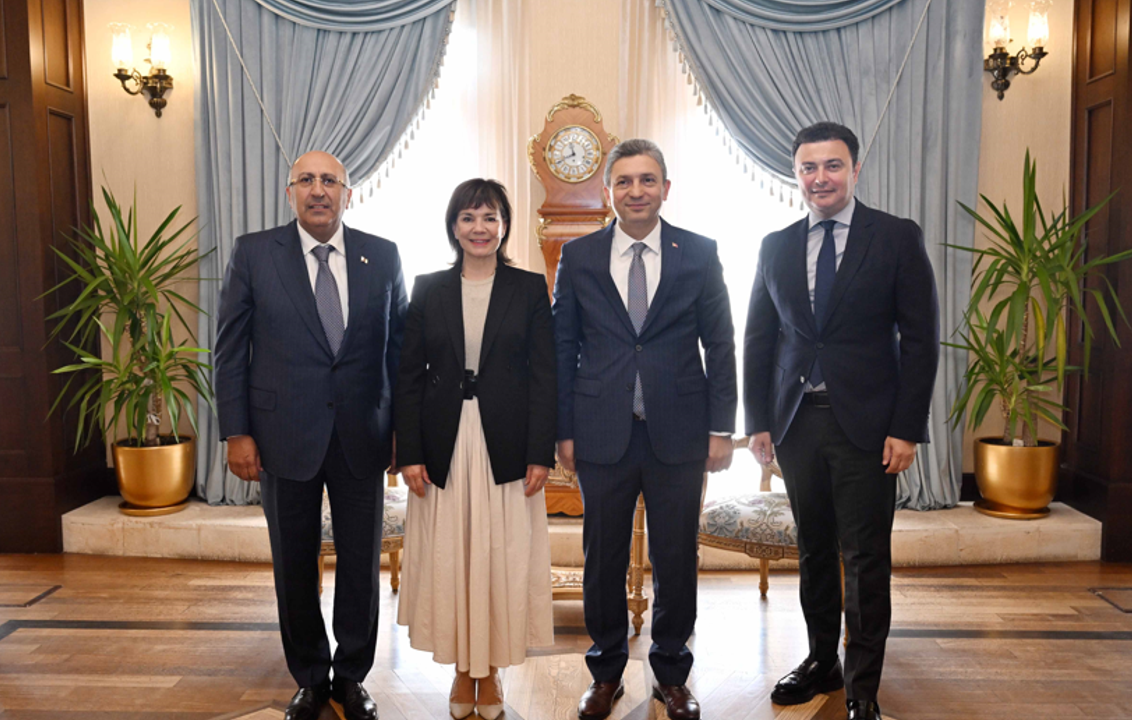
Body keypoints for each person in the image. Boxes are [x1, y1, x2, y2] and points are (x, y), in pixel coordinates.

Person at [744, 122, 939, 720]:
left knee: (865, 557)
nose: (820, 178)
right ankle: (821, 661)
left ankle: (862, 686)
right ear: (796, 174)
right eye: (809, 167)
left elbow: (921, 340)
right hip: (798, 425)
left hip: (870, 429)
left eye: (832, 166)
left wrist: (907, 428)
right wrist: (758, 421)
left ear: (855, 170)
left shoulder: (896, 237)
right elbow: (759, 337)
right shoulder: (776, 245)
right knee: (812, 550)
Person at [215, 151, 406, 720]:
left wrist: (404, 431)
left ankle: (351, 678)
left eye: (329, 180)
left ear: (349, 193)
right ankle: (309, 678)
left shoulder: (383, 255)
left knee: (360, 567)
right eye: (306, 180)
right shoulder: (254, 253)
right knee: (293, 564)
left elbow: (400, 353)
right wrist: (237, 432)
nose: (318, 190)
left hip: (363, 435)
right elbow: (230, 350)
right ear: (289, 192)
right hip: (282, 436)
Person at [553, 139, 737, 720]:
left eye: (647, 180)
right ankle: (605, 672)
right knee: (602, 559)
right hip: (600, 430)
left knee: (676, 557)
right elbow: (562, 346)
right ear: (609, 190)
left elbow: (721, 343)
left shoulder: (699, 253)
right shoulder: (579, 256)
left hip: (679, 433)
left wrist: (722, 429)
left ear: (665, 188)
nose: (636, 191)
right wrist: (563, 429)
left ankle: (672, 674)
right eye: (625, 181)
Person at [394, 179, 556, 720]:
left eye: (489, 217)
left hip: (506, 445)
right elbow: (408, 377)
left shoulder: (529, 288)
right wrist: (409, 453)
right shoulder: (428, 288)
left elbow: (545, 376)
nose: (479, 228)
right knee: (452, 555)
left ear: (505, 225)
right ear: (453, 226)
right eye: (468, 217)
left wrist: (540, 452)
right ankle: (464, 671)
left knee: (500, 555)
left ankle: (492, 670)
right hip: (442, 444)